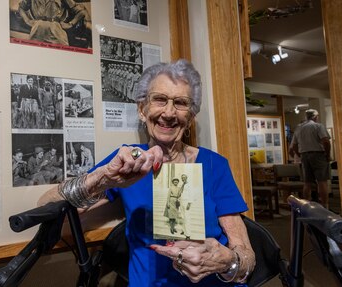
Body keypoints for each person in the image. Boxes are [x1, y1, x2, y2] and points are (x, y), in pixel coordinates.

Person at [38, 59, 255, 286]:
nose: (169, 113)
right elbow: (46, 205)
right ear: (142, 110)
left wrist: (228, 262)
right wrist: (103, 177)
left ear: (190, 117)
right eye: (159, 99)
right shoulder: (128, 162)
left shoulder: (214, 164)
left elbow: (247, 257)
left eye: (180, 103)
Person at [291, 109, 331, 208]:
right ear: (315, 117)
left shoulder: (299, 128)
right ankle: (325, 205)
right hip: (318, 154)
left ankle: (306, 206)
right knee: (322, 181)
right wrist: (327, 154)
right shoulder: (318, 126)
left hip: (304, 155)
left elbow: (294, 146)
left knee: (307, 182)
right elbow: (325, 141)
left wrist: (300, 155)